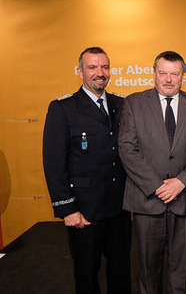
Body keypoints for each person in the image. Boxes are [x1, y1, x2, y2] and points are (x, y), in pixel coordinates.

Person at [118, 51, 186, 294]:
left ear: (183, 76)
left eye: (175, 73)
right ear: (154, 74)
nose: (169, 79)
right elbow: (127, 149)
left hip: (183, 200)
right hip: (147, 200)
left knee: (180, 268)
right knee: (148, 269)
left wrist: (181, 182)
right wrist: (157, 186)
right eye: (163, 73)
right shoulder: (133, 103)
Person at [43, 47, 131, 293]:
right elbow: (53, 163)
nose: (99, 73)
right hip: (84, 211)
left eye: (104, 67)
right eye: (92, 67)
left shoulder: (122, 105)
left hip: (119, 209)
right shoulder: (63, 109)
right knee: (86, 275)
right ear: (80, 71)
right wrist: (68, 208)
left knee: (122, 273)